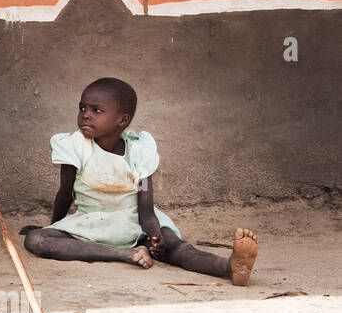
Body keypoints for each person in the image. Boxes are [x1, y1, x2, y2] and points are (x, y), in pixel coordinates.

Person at [21, 77, 258, 284]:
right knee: (38, 239)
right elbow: (64, 193)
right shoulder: (74, 147)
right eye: (82, 107)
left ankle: (228, 267)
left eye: (97, 110)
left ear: (122, 121)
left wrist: (155, 236)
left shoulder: (139, 152)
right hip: (91, 222)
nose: (86, 114)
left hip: (136, 221)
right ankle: (123, 254)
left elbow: (145, 208)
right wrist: (54, 227)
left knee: (175, 247)